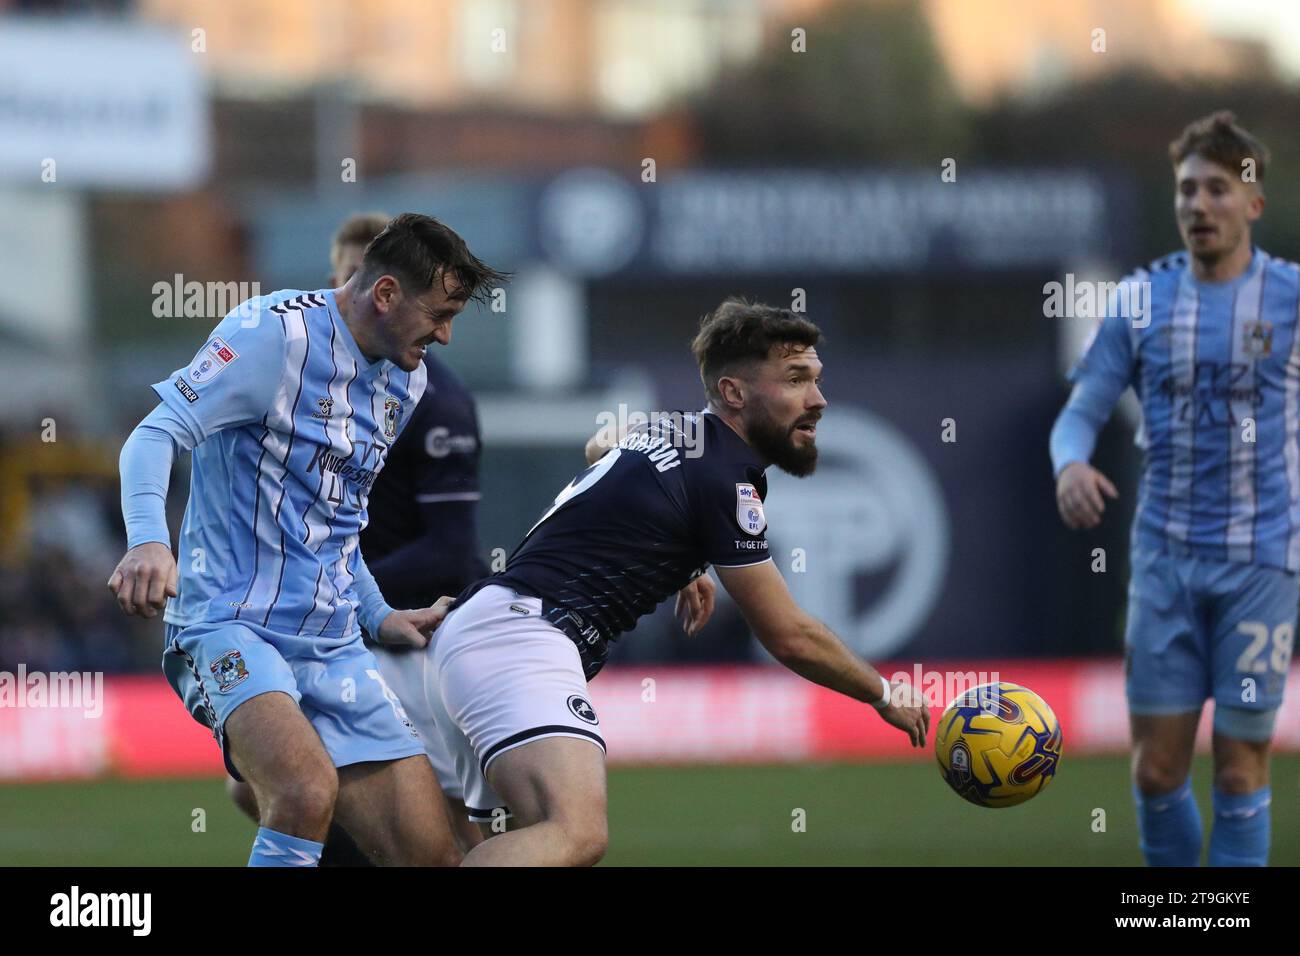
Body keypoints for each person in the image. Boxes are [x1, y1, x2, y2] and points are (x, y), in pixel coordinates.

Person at [421, 297, 930, 865]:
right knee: (576, 834)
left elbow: (602, 443)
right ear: (734, 393)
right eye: (794, 380)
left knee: (509, 846)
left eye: (815, 379)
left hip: (476, 635)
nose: (817, 400)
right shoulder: (726, 478)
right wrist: (883, 693)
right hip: (521, 641)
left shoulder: (674, 430)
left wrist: (683, 559)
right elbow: (788, 634)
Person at [109, 213, 506, 866]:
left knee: (432, 855)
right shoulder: (271, 335)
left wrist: (379, 617)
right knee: (302, 791)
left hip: (334, 645)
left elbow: (339, 523)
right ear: (384, 295)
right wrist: (150, 540)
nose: (446, 334)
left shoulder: (406, 381)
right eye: (440, 313)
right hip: (230, 625)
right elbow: (155, 434)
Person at [1051, 111, 1299, 866]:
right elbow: (1080, 414)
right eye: (1187, 189)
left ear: (1252, 203)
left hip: (1261, 565)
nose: (1198, 204)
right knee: (1157, 771)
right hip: (1163, 563)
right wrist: (1069, 464)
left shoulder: (1291, 298)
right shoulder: (1139, 301)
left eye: (1217, 189)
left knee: (1238, 767)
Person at [223, 212, 491, 859]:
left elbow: (451, 548)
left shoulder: (430, 394)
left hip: (405, 640)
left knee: (441, 827)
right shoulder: (302, 369)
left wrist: (337, 598)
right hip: (326, 625)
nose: (346, 301)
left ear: (392, 290)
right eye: (339, 281)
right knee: (273, 789)